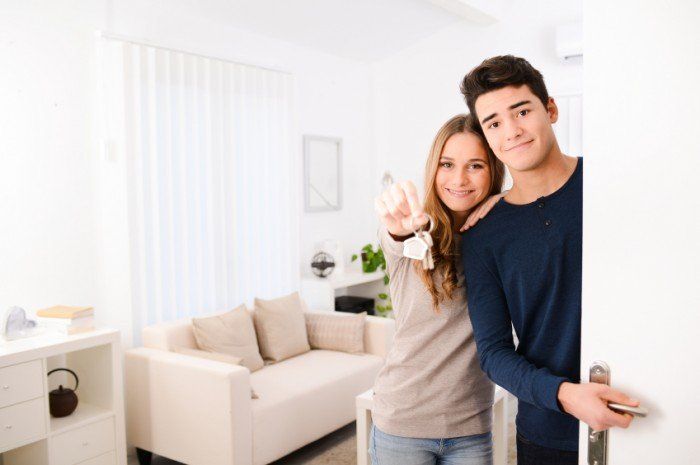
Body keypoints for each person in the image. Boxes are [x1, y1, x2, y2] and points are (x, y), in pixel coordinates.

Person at [459, 55, 639, 464]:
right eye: (494, 123)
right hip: (546, 433)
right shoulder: (483, 234)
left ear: (550, 110)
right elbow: (493, 352)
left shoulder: (611, 185)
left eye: (522, 111)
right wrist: (567, 396)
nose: (512, 131)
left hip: (641, 408)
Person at [371, 113, 506, 465]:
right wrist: (404, 228)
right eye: (447, 164)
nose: (459, 179)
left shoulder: (501, 238)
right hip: (402, 421)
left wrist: (507, 200)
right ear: (434, 169)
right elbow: (399, 235)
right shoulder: (414, 232)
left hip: (470, 427)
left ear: (493, 170)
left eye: (475, 165)